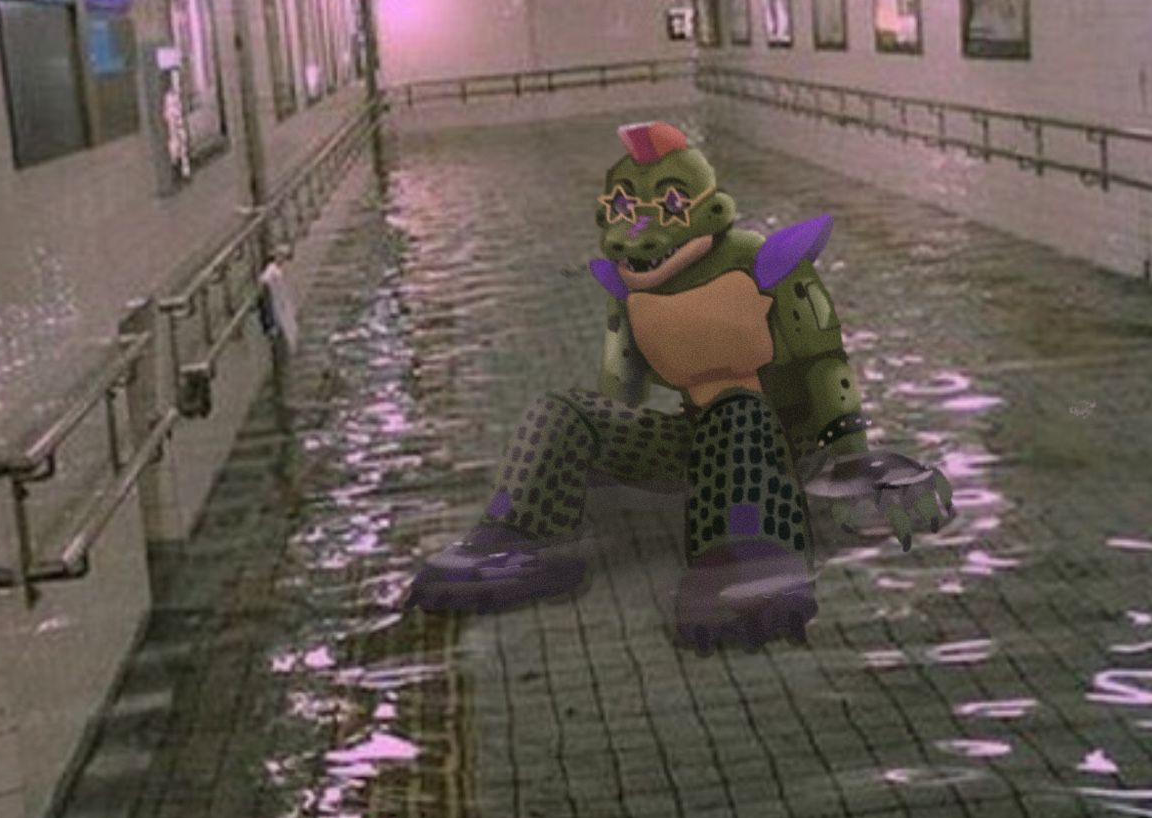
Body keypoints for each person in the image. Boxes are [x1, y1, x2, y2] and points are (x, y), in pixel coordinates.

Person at [406, 121, 952, 652]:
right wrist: (590, 452)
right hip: (701, 437)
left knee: (738, 410)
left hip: (787, 444)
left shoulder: (769, 268)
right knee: (561, 413)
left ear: (708, 212)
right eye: (622, 208)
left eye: (666, 208)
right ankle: (523, 538)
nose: (635, 233)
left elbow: (825, 365)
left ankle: (750, 555)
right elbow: (617, 396)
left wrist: (853, 456)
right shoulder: (632, 295)